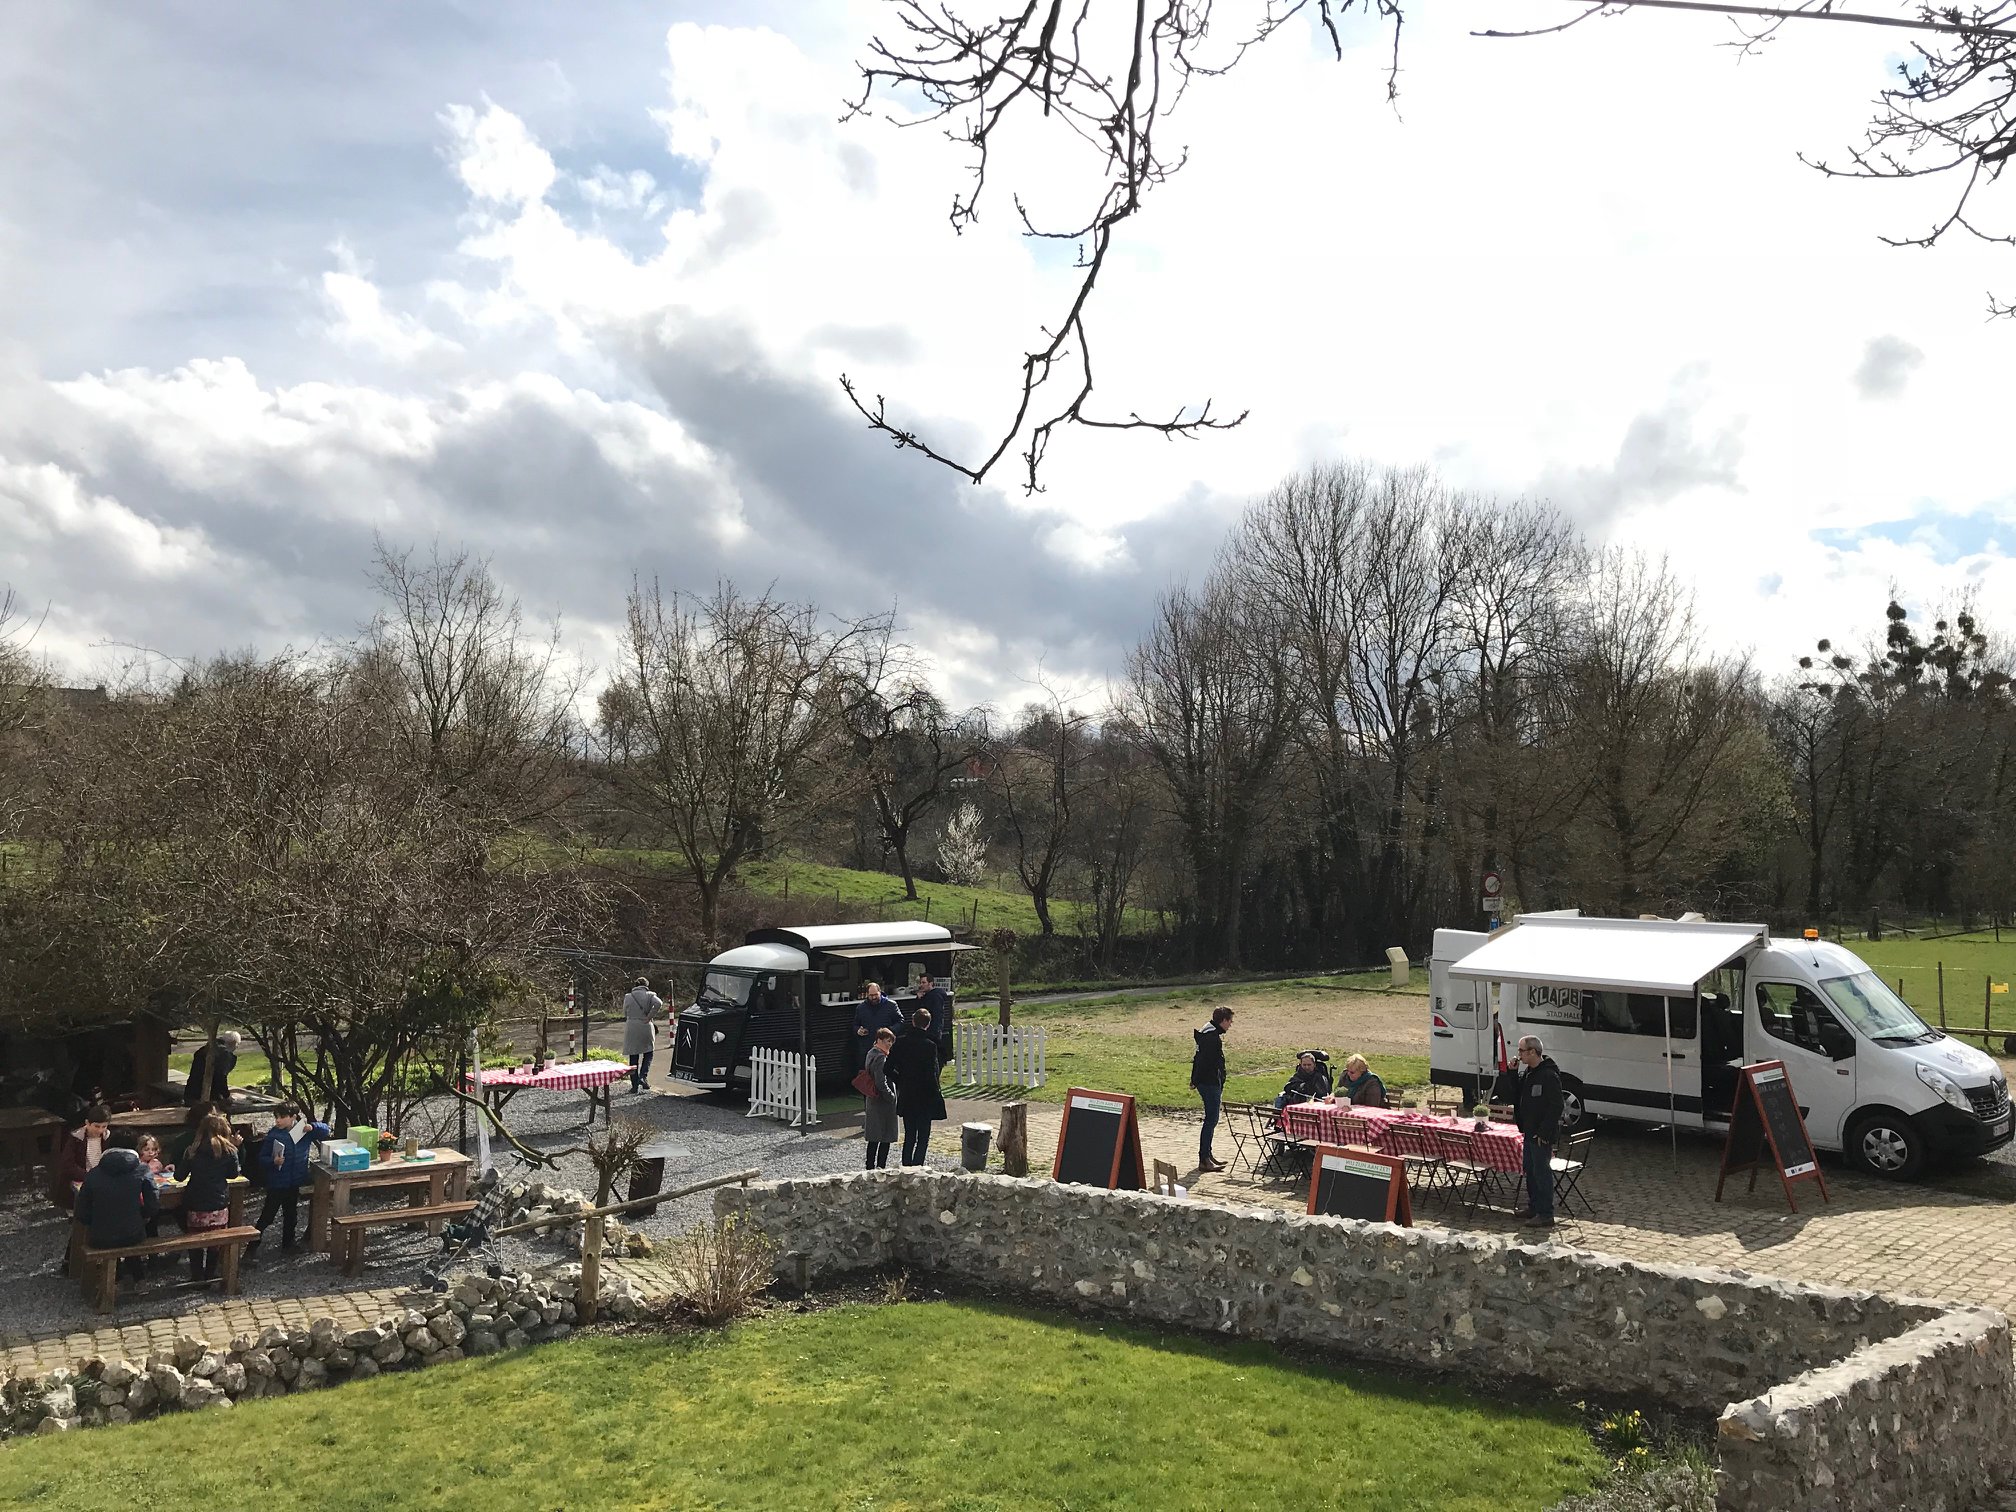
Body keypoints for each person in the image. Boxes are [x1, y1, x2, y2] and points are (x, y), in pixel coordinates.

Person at [246, 1102, 330, 1257]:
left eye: (282, 1117)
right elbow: (262, 1158)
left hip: (294, 1181)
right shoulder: (274, 1135)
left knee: (291, 1215)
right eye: (276, 1117)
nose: (278, 1120)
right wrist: (273, 1162)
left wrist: (313, 1127)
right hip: (277, 1182)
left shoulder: (303, 1131)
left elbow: (326, 1130)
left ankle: (288, 1245)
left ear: (293, 1117)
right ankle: (251, 1248)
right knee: (267, 1216)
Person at [74, 1144, 159, 1281]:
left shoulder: (93, 1174)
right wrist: (142, 1216)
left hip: (99, 1237)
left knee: (116, 1229)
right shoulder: (142, 1170)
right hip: (134, 1234)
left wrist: (95, 1221)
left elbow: (81, 1212)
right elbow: (153, 1204)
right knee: (131, 1227)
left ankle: (116, 1278)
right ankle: (139, 1277)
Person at [175, 1113, 241, 1282]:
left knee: (194, 1241)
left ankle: (197, 1276)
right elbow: (233, 1175)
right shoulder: (229, 1151)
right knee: (215, 1244)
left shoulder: (192, 1150)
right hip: (218, 1202)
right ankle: (210, 1274)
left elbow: (179, 1177)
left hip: (196, 1203)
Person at [1513, 1035, 1565, 1229]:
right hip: (1529, 1131)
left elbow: (1556, 1106)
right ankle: (1534, 1207)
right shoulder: (1528, 1073)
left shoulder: (1548, 1075)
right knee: (1531, 1171)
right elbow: (1515, 1095)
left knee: (1542, 1174)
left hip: (1541, 1135)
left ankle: (1545, 1213)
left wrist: (1544, 1132)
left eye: (1522, 1051)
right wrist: (1512, 1073)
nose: (1519, 1055)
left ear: (1533, 1052)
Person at [886, 1008, 947, 1166]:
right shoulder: (930, 1046)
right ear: (927, 1025)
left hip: (907, 1092)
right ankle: (918, 1166)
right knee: (923, 1137)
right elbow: (932, 1073)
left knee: (909, 1135)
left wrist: (901, 1080)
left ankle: (906, 1166)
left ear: (913, 1021)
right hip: (925, 1095)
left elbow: (887, 1069)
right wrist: (936, 1095)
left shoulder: (900, 1042)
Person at [1190, 1007, 1233, 1172]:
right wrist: (1196, 1080)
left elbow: (1198, 1058)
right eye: (1229, 1021)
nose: (1230, 1025)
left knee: (1211, 1119)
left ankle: (1208, 1154)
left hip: (1207, 1082)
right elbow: (1204, 1062)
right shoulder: (1212, 1038)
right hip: (1209, 1083)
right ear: (1223, 1020)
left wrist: (1194, 1080)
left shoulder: (1207, 1033)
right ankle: (1204, 1158)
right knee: (1211, 1120)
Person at [54, 1104, 113, 1211]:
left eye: (104, 1126)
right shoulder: (76, 1138)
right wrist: (88, 1176)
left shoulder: (107, 1138)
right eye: (96, 1126)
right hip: (82, 1177)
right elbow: (68, 1164)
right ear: (87, 1123)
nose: (100, 1130)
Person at [862, 1026, 898, 1170]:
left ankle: (870, 1165)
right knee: (885, 1136)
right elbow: (880, 1081)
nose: (889, 1044)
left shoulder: (871, 1053)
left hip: (872, 1099)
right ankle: (880, 1166)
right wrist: (891, 1096)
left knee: (874, 1136)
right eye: (887, 1041)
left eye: (891, 1041)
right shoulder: (881, 1058)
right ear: (879, 1040)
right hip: (883, 1102)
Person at [622, 976, 664, 1094]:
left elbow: (625, 1011)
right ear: (646, 985)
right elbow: (659, 1003)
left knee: (633, 1056)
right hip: (646, 1026)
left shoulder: (628, 997)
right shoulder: (650, 995)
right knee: (648, 1052)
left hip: (632, 1026)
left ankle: (634, 1085)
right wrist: (649, 1016)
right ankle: (643, 1076)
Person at [852, 981, 905, 1071]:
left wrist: (889, 1031)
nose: (873, 998)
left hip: (887, 1047)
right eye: (871, 995)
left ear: (880, 992)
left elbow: (901, 1021)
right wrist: (858, 1030)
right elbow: (855, 1025)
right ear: (867, 995)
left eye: (875, 995)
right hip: (868, 1047)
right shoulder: (861, 1008)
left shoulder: (891, 1005)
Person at [184, 1031, 240, 1106]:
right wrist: (227, 1095)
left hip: (191, 1092)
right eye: (237, 1044)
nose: (237, 1047)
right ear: (233, 1043)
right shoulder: (225, 1054)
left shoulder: (205, 1049)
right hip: (208, 1096)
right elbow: (221, 1077)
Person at [915, 974, 953, 1064]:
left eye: (924, 982)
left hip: (932, 1029)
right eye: (920, 982)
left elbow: (935, 1014)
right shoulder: (928, 996)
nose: (921, 985)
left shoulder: (935, 996)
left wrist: (934, 1031)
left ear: (931, 983)